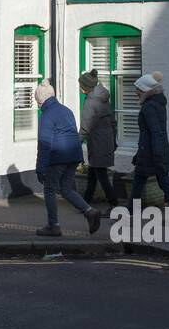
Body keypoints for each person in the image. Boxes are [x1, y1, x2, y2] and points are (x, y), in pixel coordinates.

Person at [33, 82, 102, 237]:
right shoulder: (66, 110)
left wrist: (40, 168)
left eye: (37, 101)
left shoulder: (47, 115)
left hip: (58, 157)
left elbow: (44, 144)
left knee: (49, 189)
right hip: (74, 155)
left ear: (40, 101)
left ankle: (53, 226)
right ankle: (90, 212)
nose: (38, 105)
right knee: (66, 189)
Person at [130, 71, 169, 207]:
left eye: (138, 89)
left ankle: (129, 214)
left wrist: (157, 155)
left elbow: (155, 132)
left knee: (140, 185)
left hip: (151, 153)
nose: (136, 92)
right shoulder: (158, 104)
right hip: (153, 151)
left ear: (146, 90)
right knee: (162, 183)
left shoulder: (149, 107)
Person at [78, 70, 120, 207]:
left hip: (97, 142)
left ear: (87, 87)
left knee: (101, 175)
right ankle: (85, 203)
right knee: (93, 172)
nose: (79, 88)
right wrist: (114, 141)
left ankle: (114, 204)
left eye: (81, 85)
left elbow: (85, 127)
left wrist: (74, 145)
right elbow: (113, 122)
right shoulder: (102, 99)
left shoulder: (91, 102)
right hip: (105, 140)